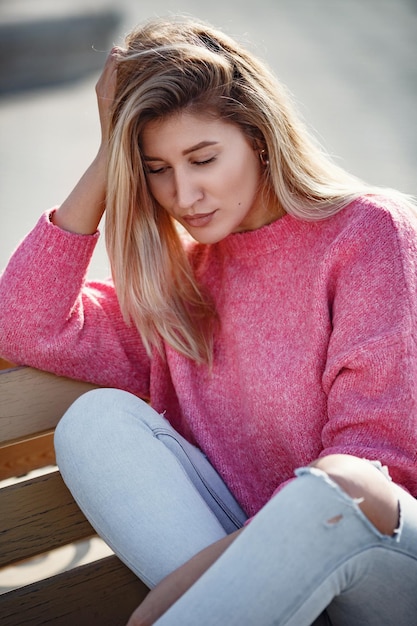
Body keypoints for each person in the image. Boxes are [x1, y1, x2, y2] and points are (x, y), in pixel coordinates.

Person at [1, 16, 417, 625]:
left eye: (202, 158)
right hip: (254, 594)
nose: (184, 193)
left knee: (343, 488)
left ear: (259, 137)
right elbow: (24, 323)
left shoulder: (369, 234)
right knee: (95, 422)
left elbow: (378, 464)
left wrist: (171, 604)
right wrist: (106, 159)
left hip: (379, 568)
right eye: (157, 168)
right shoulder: (178, 285)